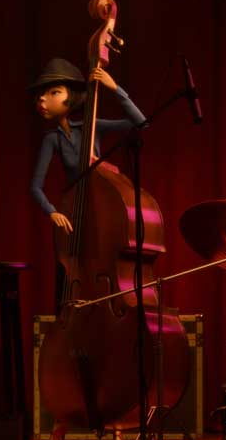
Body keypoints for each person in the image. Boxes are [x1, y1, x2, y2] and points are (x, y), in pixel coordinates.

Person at [28, 58, 146, 303]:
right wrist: (52, 212)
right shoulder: (52, 139)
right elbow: (35, 187)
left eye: (54, 92)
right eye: (40, 94)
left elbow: (140, 123)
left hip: (101, 209)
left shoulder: (92, 126)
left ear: (71, 96)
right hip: (73, 213)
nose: (42, 99)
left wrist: (115, 89)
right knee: (68, 270)